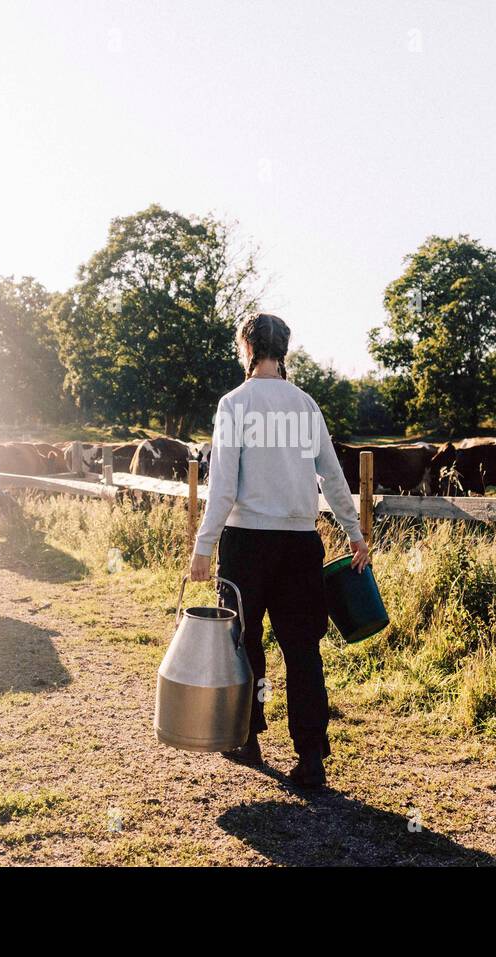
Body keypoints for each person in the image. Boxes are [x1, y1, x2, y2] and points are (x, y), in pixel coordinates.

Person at [189, 313, 368, 788]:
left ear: (246, 348)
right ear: (282, 351)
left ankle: (247, 736)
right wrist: (354, 533)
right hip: (299, 542)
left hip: (247, 541)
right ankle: (311, 756)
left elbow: (223, 485)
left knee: (244, 642)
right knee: (303, 647)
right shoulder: (306, 405)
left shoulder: (234, 404)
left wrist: (203, 546)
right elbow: (332, 476)